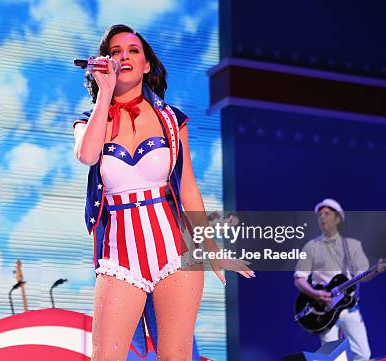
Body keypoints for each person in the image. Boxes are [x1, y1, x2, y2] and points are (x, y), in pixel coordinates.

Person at [73, 24, 253, 360]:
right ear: (104, 62)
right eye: (115, 51)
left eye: (133, 50)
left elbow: (188, 190)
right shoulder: (89, 120)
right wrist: (105, 93)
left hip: (175, 253)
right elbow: (87, 155)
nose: (124, 56)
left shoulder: (171, 120)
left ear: (146, 65)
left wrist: (212, 247)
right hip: (120, 256)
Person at [294, 198, 374, 361]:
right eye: (320, 215)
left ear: (338, 218)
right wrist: (316, 294)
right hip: (324, 309)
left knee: (363, 355)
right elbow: (299, 279)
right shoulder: (311, 246)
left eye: (327, 214)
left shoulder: (352, 245)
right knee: (331, 358)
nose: (322, 217)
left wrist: (378, 269)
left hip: (348, 305)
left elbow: (364, 275)